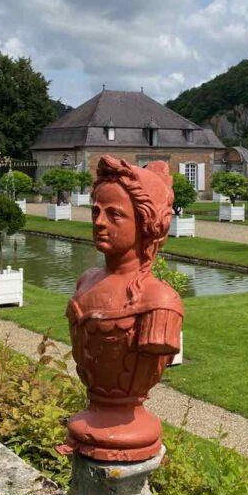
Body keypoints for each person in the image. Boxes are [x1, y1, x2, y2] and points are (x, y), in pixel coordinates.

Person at [62, 155, 183, 461]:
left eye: (114, 215)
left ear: (146, 224)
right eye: (95, 211)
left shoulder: (158, 301)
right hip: (92, 418)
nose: (99, 222)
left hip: (126, 431)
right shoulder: (85, 282)